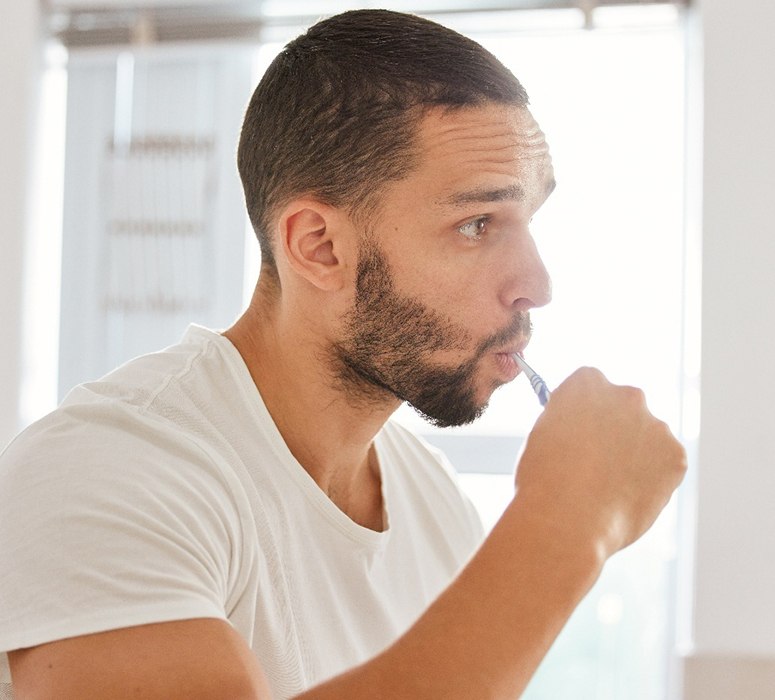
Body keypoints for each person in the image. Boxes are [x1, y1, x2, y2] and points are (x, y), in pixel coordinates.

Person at [0, 9, 686, 699]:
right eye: (477, 224)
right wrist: (568, 522)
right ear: (319, 247)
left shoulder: (435, 506)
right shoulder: (104, 472)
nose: (535, 285)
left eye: (526, 222)